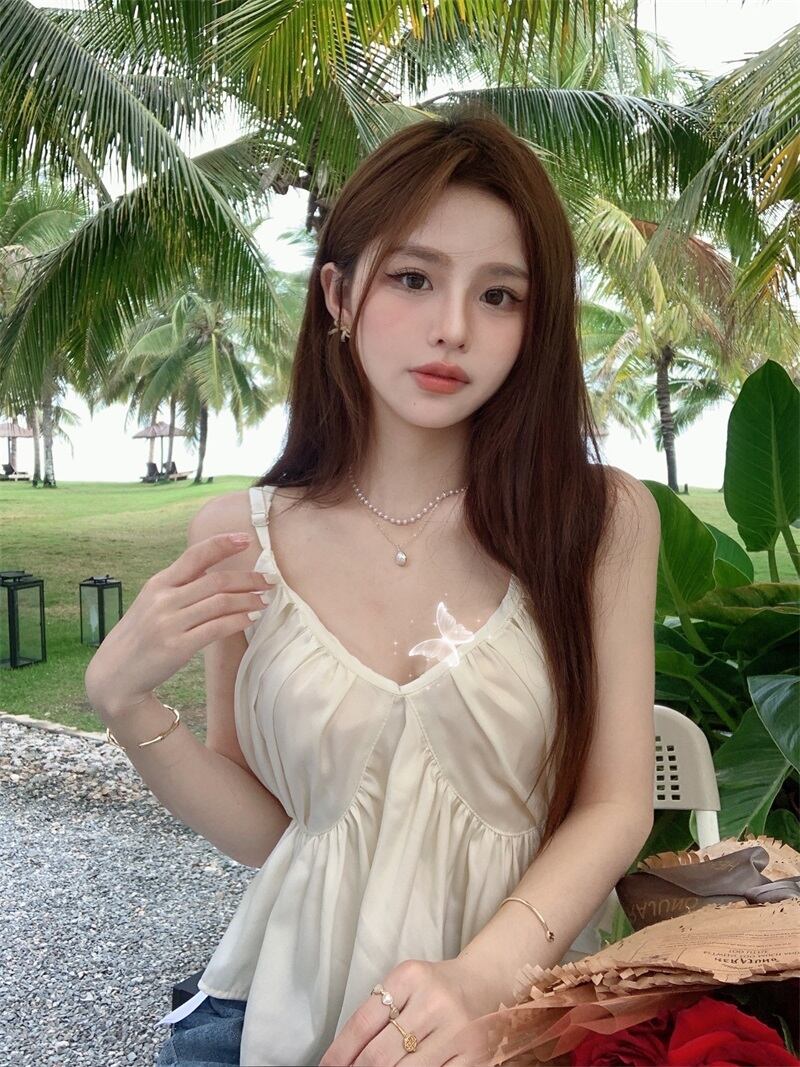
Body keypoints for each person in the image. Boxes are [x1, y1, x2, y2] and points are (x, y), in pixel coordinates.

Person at [85, 107, 660, 1067]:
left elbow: (616, 803)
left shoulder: (597, 521)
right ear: (339, 295)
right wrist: (126, 703)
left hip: (519, 1018)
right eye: (413, 277)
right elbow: (276, 833)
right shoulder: (240, 537)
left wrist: (480, 980)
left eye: (500, 295)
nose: (452, 327)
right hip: (283, 1015)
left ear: (536, 323)